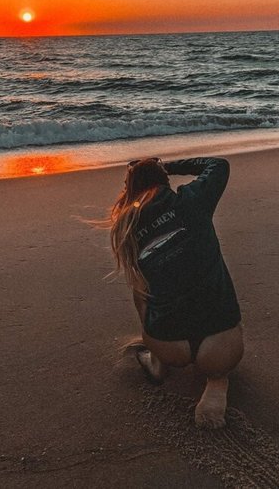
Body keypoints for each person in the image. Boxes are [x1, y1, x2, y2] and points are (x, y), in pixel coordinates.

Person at [110, 156, 244, 429]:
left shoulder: (126, 226)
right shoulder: (191, 200)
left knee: (141, 287)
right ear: (163, 180)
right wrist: (167, 166)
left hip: (168, 343)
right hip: (220, 345)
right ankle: (217, 382)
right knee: (210, 282)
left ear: (131, 189)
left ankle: (159, 363)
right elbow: (219, 165)